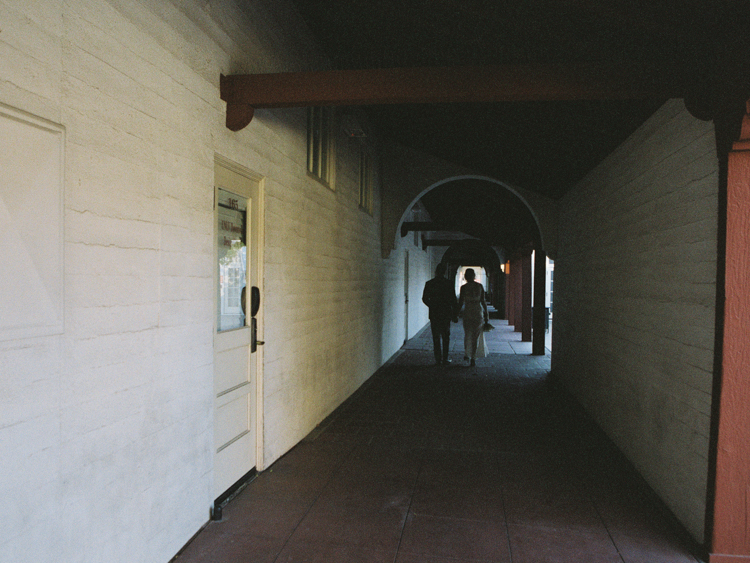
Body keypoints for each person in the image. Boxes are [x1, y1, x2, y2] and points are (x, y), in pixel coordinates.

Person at [422, 263, 458, 366]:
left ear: (436, 271)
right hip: (446, 313)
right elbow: (453, 300)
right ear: (445, 272)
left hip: (434, 313)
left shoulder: (429, 283)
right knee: (446, 336)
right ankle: (445, 358)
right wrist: (454, 314)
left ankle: (438, 359)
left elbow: (424, 298)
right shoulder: (449, 284)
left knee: (436, 336)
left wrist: (432, 305)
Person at [456, 268, 489, 367]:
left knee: (468, 334)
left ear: (465, 276)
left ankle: (468, 353)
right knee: (476, 336)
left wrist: (456, 314)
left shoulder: (464, 288)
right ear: (474, 276)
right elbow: (483, 302)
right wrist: (486, 315)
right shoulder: (479, 286)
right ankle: (473, 357)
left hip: (468, 313)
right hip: (478, 313)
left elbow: (461, 303)